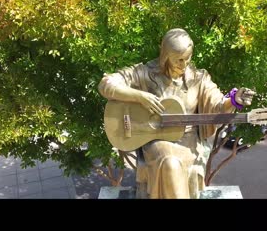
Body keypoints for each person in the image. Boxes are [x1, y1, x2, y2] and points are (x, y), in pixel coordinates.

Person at [98, 28, 255, 198]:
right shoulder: (144, 73)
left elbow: (216, 105)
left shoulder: (198, 78)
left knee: (174, 163)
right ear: (165, 56)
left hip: (188, 142)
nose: (184, 64)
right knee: (170, 163)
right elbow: (106, 84)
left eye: (188, 58)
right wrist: (139, 96)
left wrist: (234, 100)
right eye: (178, 60)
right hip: (157, 140)